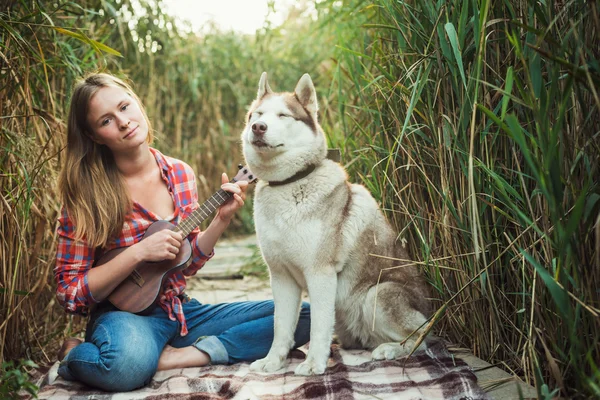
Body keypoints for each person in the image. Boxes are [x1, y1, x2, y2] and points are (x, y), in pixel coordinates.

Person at [54, 72, 311, 392]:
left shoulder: (179, 174)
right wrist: (139, 252)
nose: (123, 122)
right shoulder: (85, 193)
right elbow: (70, 291)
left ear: (137, 103)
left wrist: (221, 221)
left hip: (179, 311)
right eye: (106, 120)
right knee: (122, 369)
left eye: (124, 107)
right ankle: (76, 353)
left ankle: (181, 356)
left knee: (302, 316)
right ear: (94, 135)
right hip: (122, 317)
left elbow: (185, 262)